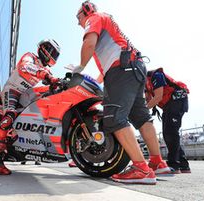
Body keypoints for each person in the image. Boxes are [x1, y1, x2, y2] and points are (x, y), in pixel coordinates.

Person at [68, 1, 171, 184]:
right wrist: (95, 81)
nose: (78, 23)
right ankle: (157, 162)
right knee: (141, 117)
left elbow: (88, 44)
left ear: (86, 11)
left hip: (122, 70)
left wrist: (80, 68)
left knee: (114, 118)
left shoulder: (95, 17)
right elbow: (106, 69)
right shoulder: (109, 26)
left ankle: (141, 169)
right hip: (133, 68)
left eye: (78, 17)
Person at [0, 39, 61, 175]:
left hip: (26, 94)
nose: (53, 56)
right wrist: (45, 74)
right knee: (9, 117)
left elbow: (47, 78)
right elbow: (24, 67)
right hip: (13, 90)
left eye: (55, 55)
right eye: (53, 53)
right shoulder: (30, 57)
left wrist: (54, 82)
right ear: (45, 50)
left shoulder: (45, 68)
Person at [145, 67, 191, 173]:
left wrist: (144, 109)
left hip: (177, 101)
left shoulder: (156, 76)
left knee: (171, 133)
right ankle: (183, 165)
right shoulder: (145, 85)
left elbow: (158, 97)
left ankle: (173, 165)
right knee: (168, 134)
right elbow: (148, 100)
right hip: (168, 106)